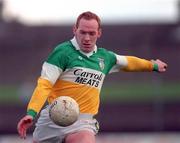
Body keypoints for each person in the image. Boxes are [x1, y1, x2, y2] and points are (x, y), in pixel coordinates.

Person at [17, 11, 167, 143]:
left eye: (91, 33)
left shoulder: (105, 58)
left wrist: (153, 65)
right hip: (52, 120)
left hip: (82, 122)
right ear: (75, 30)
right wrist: (31, 113)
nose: (87, 38)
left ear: (99, 33)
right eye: (82, 32)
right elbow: (44, 84)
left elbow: (128, 62)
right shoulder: (62, 53)